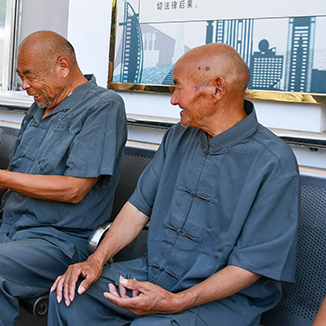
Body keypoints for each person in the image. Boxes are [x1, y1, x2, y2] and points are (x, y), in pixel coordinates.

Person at [49, 43, 300, 326]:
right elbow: (137, 208)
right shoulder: (178, 137)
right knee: (68, 295)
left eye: (179, 88)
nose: (174, 100)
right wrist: (96, 259)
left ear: (217, 89)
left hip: (223, 299)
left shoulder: (273, 163)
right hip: (153, 272)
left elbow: (250, 267)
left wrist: (176, 301)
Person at [0, 31, 128, 326]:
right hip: (10, 224)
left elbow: (74, 190)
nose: (25, 86)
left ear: (62, 66)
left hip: (59, 239)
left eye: (30, 76)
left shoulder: (103, 106)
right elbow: (8, 180)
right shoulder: (40, 105)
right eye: (21, 76)